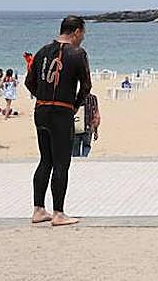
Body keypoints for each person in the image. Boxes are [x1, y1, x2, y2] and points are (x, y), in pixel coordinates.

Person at [25, 15, 92, 227]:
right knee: (61, 163)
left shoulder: (42, 51)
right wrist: (74, 104)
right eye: (83, 33)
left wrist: (42, 97)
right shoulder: (78, 53)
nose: (83, 38)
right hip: (62, 112)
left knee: (45, 159)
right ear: (76, 32)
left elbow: (29, 82)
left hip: (41, 110)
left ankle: (38, 209)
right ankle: (59, 213)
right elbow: (86, 86)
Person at [72, 92, 101, 157]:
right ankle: (84, 160)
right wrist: (96, 130)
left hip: (76, 127)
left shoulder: (74, 97)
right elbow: (96, 115)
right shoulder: (93, 98)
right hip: (89, 127)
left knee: (75, 150)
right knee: (86, 146)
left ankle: (78, 164)